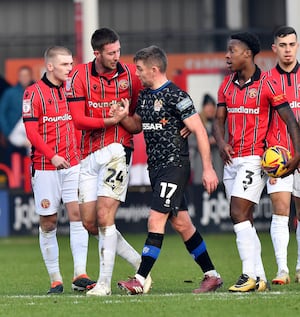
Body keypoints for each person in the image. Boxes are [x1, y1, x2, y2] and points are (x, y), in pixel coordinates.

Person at [116, 45, 223, 295]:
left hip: (174, 166)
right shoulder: (144, 96)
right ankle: (212, 275)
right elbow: (136, 127)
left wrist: (207, 169)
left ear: (154, 69)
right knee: (183, 225)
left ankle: (140, 280)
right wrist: (122, 116)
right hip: (157, 169)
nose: (138, 74)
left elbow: (199, 130)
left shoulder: (177, 96)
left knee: (155, 219)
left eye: (140, 70)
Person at [66, 27, 152, 296]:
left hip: (118, 149)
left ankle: (103, 284)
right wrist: (109, 120)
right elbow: (78, 120)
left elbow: (137, 126)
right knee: (89, 223)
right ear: (97, 53)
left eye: (118, 50)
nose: (117, 56)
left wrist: (122, 120)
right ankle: (140, 264)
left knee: (105, 216)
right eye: (111, 52)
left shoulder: (130, 76)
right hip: (88, 154)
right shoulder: (78, 75)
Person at [213, 31, 300, 292]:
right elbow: (218, 121)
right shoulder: (226, 85)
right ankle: (261, 277)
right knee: (245, 219)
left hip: (254, 158)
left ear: (248, 54)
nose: (228, 56)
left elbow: (291, 122)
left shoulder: (268, 85)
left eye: (232, 51)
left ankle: (248, 274)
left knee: (237, 212)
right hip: (231, 160)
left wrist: (297, 156)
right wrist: (221, 142)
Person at [22, 46, 95, 294]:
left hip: (73, 164)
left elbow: (80, 123)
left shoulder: (73, 91)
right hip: (45, 168)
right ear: (50, 66)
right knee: (49, 222)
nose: (69, 68)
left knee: (78, 215)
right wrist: (51, 156)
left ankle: (80, 274)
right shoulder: (33, 94)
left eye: (71, 64)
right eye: (64, 64)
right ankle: (55, 278)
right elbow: (31, 132)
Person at [266, 26, 300, 285]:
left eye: (292, 44)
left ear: (297, 46)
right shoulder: (266, 80)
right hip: (278, 158)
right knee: (281, 211)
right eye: (283, 45)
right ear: (274, 48)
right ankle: (282, 270)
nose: (288, 49)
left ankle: (299, 266)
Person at [0, 66, 34, 166]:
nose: (24, 78)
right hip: (13, 135)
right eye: (22, 76)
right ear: (18, 77)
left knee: (32, 165)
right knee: (13, 165)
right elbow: (2, 113)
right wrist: (7, 132)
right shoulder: (10, 93)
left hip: (32, 135)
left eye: (26, 75)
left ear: (31, 76)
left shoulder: (37, 91)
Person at [189, 93, 223, 184]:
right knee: (200, 185)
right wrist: (204, 141)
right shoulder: (197, 121)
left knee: (218, 184)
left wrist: (217, 140)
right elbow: (190, 140)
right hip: (201, 161)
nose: (210, 110)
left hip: (217, 160)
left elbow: (226, 137)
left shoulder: (219, 121)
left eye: (212, 107)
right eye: (207, 107)